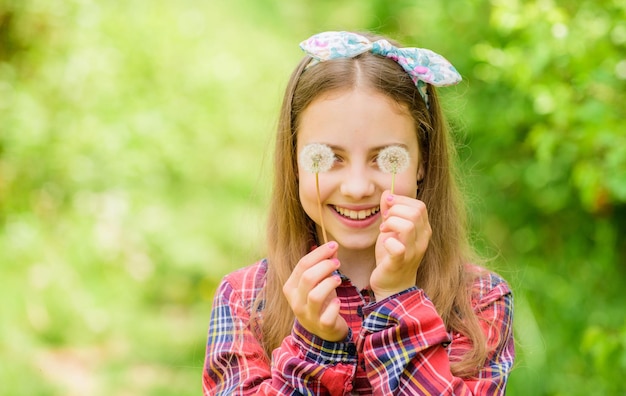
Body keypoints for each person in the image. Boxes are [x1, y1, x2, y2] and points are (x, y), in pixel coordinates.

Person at [203, 31, 514, 395]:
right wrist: (316, 347)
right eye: (328, 157)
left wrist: (399, 300)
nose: (356, 187)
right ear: (294, 162)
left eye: (386, 159)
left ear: (422, 161)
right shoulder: (243, 300)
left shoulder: (479, 301)